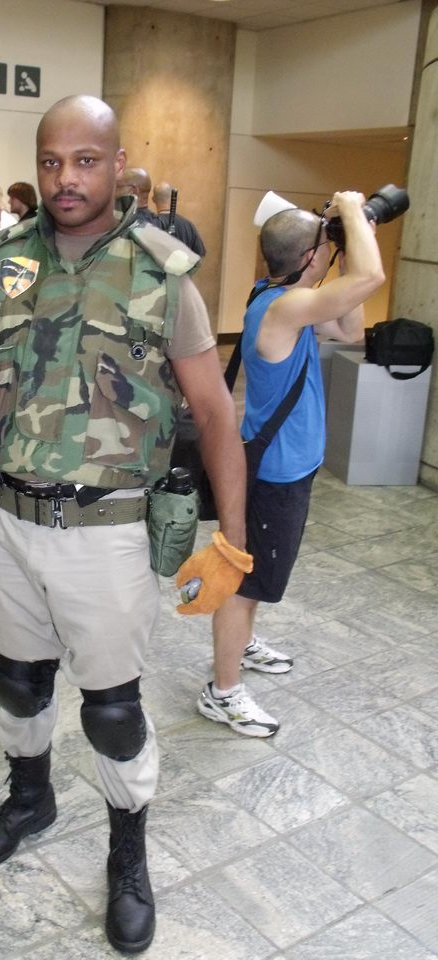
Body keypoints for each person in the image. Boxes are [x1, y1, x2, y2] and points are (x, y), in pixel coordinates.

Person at [0, 95, 249, 954]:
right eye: (51, 161)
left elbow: (214, 412)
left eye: (85, 160)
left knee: (112, 710)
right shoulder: (1, 262)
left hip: (107, 533)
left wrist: (232, 538)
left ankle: (127, 854)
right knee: (18, 682)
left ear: (117, 165)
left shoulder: (162, 274)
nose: (65, 178)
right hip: (8, 521)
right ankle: (29, 797)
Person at [198, 192, 385, 738]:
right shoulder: (283, 308)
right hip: (274, 474)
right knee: (246, 584)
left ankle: (242, 643)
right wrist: (353, 213)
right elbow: (372, 278)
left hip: (287, 466)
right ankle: (222, 692)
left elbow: (350, 330)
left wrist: (344, 246)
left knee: (258, 576)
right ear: (308, 258)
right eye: (325, 247)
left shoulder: (279, 294)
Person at [152, 180, 206, 258]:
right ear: (171, 197)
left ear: (153, 199)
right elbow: (199, 255)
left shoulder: (151, 225)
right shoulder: (188, 225)